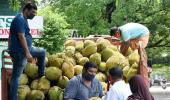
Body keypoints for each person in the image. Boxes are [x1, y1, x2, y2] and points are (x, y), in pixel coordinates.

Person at [8, 3, 46, 100]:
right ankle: (13, 98)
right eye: (33, 12)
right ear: (26, 10)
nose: (34, 14)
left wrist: (9, 48)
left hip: (25, 49)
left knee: (42, 52)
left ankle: (41, 75)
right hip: (22, 52)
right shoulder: (20, 19)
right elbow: (21, 36)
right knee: (16, 77)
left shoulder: (23, 19)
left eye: (35, 12)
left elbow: (10, 35)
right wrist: (27, 53)